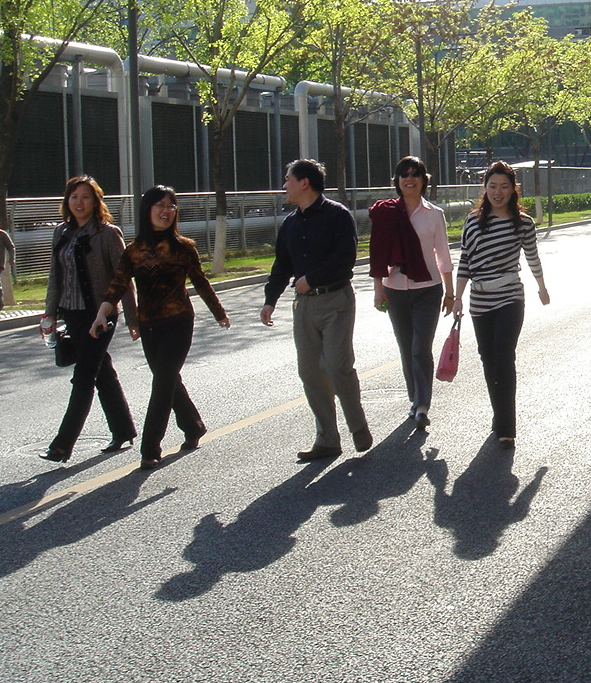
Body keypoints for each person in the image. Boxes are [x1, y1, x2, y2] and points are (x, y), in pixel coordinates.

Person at [91, 186, 231, 470]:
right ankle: (193, 426)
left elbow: (200, 282)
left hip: (179, 322)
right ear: (148, 210)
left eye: (171, 206)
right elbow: (117, 286)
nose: (166, 211)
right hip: (149, 326)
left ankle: (150, 448)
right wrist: (101, 315)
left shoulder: (184, 248)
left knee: (162, 382)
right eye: (160, 205)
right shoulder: (133, 251)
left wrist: (219, 313)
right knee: (168, 380)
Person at [260, 159, 372, 462]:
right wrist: (270, 300)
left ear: (304, 183)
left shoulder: (337, 215)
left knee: (337, 365)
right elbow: (282, 265)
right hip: (304, 306)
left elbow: (345, 258)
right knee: (310, 372)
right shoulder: (290, 224)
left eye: (288, 179)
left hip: (336, 301)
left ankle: (358, 425)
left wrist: (312, 278)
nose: (284, 185)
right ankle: (327, 439)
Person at [39, 176, 137, 462]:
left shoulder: (107, 233)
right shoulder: (61, 232)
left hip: (101, 315)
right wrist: (50, 314)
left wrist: (133, 318)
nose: (79, 202)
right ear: (67, 202)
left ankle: (61, 446)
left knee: (83, 377)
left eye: (85, 197)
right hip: (72, 314)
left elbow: (123, 279)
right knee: (102, 371)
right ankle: (123, 430)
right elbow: (55, 277)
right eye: (74, 197)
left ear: (96, 201)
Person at [452, 161, 549, 448]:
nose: (498, 192)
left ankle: (507, 427)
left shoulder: (523, 223)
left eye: (504, 186)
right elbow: (465, 260)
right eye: (492, 186)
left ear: (513, 189)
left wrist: (542, 287)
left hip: (510, 297)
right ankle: (500, 413)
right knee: (488, 359)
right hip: (479, 300)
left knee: (504, 357)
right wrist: (457, 297)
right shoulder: (472, 221)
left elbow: (532, 256)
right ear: (485, 188)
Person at [369, 156, 454, 429]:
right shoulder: (386, 212)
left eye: (415, 174)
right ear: (397, 181)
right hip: (395, 290)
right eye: (404, 174)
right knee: (406, 349)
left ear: (423, 180)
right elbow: (378, 254)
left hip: (428, 290)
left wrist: (450, 293)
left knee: (420, 348)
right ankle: (414, 399)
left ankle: (423, 404)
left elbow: (443, 255)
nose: (409, 179)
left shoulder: (434, 214)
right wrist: (378, 290)